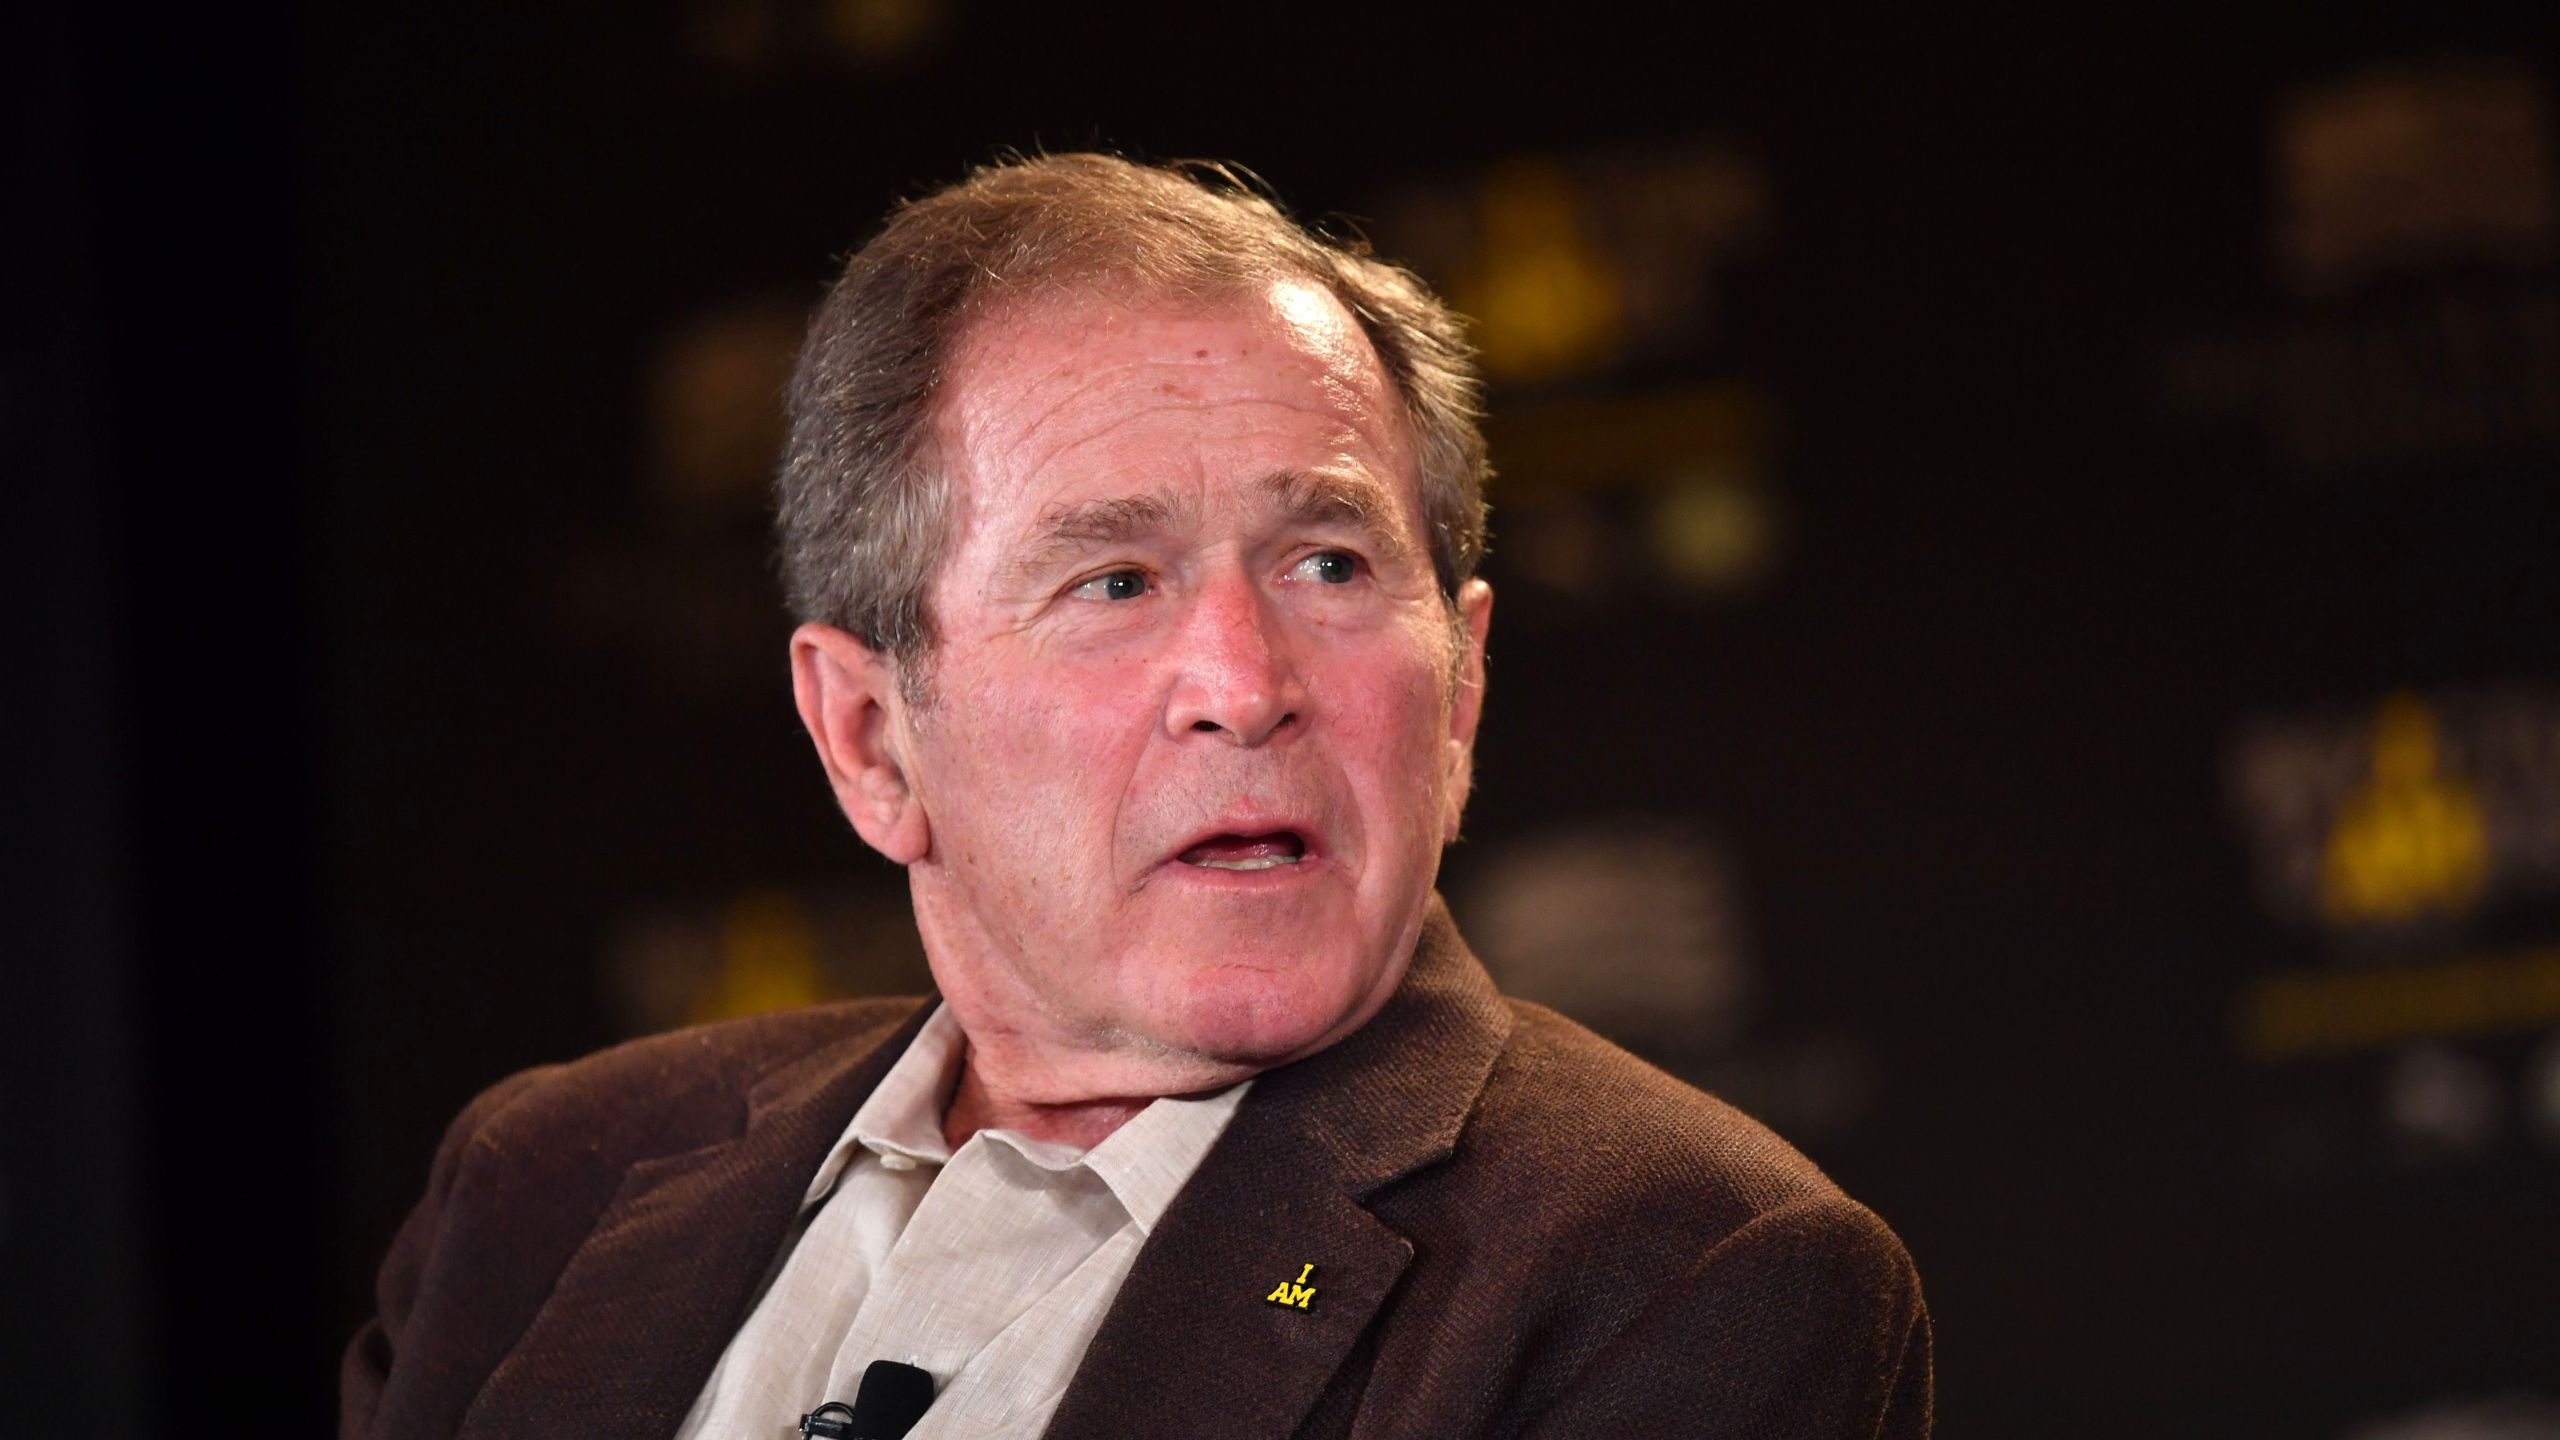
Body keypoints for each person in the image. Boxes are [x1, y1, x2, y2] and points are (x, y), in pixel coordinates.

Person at [342, 153, 1932, 1440]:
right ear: (872, 740)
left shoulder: (1682, 1282)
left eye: (1330, 562)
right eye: (1113, 580)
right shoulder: (542, 1186)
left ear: (1463, 686)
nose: (1245, 682)